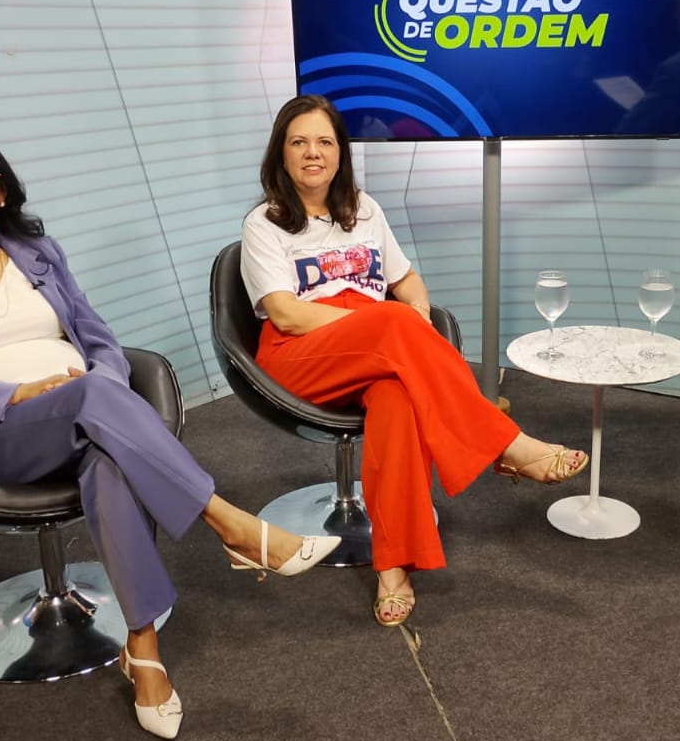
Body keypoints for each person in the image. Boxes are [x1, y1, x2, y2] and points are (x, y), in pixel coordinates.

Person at [0, 126, 341, 740]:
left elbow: (99, 341)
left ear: (2, 189)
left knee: (104, 446)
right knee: (90, 398)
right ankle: (229, 523)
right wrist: (17, 393)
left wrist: (100, 382)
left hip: (83, 413)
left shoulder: (36, 251)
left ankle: (143, 652)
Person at [239, 94, 589, 628]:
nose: (313, 153)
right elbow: (286, 315)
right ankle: (507, 443)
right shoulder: (265, 224)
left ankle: (393, 569)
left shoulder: (364, 208)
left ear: (341, 153)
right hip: (301, 355)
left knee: (398, 401)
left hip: (377, 344)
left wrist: (416, 315)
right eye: (299, 142)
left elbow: (405, 281)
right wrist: (384, 324)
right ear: (280, 154)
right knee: (395, 323)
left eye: (325, 142)